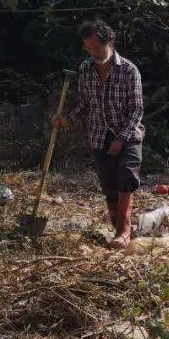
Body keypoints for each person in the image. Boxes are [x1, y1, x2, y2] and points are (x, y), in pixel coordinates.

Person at [53, 20, 144, 249]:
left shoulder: (129, 70)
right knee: (109, 185)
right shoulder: (86, 69)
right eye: (88, 48)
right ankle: (119, 227)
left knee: (126, 178)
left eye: (96, 47)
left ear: (109, 43)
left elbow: (136, 109)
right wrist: (68, 119)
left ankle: (124, 231)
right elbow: (86, 102)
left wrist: (121, 139)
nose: (92, 53)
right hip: (98, 134)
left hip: (128, 133)